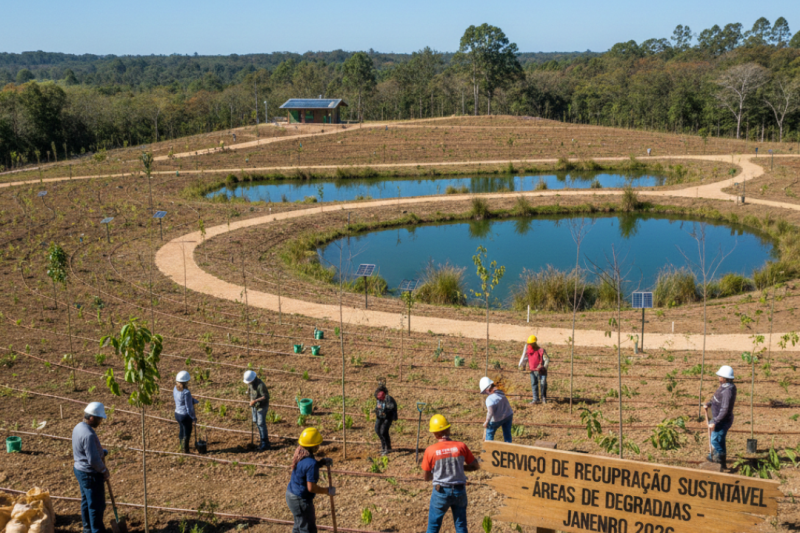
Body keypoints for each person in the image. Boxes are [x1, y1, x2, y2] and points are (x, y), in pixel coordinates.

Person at [421, 415, 480, 533]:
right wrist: (459, 467)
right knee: (461, 525)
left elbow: (426, 477)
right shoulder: (461, 446)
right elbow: (475, 465)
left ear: (434, 433)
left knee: (433, 527)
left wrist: (437, 472)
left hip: (441, 492)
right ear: (448, 430)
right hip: (459, 491)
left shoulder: (430, 450)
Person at [286, 428, 335, 533]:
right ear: (314, 446)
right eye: (318, 444)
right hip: (300, 500)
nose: (319, 446)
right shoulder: (311, 463)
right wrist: (327, 490)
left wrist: (320, 463)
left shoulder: (302, 454)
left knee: (299, 525)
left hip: (291, 495)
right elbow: (311, 488)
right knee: (308, 529)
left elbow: (305, 468)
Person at [72, 402, 109, 533]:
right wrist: (104, 470)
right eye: (99, 419)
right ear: (92, 417)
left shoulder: (78, 427)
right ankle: (97, 531)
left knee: (86, 502)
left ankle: (87, 529)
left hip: (79, 469)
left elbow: (86, 450)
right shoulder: (89, 434)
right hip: (90, 474)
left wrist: (101, 452)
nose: (100, 422)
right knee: (96, 505)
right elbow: (93, 460)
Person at [703, 365, 737, 469]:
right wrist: (709, 404)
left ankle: (718, 459)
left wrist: (715, 421)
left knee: (715, 440)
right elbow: (717, 400)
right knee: (720, 440)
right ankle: (718, 460)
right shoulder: (725, 387)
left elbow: (725, 408)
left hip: (722, 421)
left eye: (720, 376)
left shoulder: (727, 391)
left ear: (724, 378)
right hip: (720, 419)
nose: (718, 378)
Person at [480, 377, 513, 443]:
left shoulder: (490, 399)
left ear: (488, 388)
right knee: (507, 434)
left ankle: (488, 448)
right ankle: (509, 448)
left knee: (489, 433)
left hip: (496, 419)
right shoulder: (500, 392)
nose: (485, 392)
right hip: (508, 415)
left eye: (485, 391)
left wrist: (487, 422)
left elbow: (490, 412)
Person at [244, 370, 271, 451]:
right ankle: (261, 438)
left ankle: (265, 443)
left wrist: (255, 401)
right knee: (255, 421)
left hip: (262, 406)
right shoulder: (250, 384)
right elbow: (249, 390)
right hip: (254, 406)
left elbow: (266, 397)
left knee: (261, 423)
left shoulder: (261, 385)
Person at [518, 335, 549, 404]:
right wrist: (522, 366)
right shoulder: (529, 351)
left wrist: (544, 367)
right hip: (532, 371)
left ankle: (543, 399)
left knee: (543, 384)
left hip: (541, 371)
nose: (530, 345)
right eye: (529, 344)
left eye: (531, 344)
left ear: (535, 343)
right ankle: (536, 399)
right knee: (534, 384)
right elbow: (524, 359)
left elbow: (546, 359)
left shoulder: (541, 351)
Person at [173, 370, 198, 453]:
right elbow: (189, 407)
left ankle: (181, 446)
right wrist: (193, 417)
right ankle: (185, 450)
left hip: (177, 414)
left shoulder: (175, 389)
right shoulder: (186, 392)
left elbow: (180, 400)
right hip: (185, 415)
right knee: (187, 431)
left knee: (181, 429)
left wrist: (193, 400)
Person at [374, 384, 398, 455]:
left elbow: (391, 409)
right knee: (377, 430)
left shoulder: (388, 400)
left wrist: (385, 411)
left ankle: (387, 448)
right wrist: (377, 411)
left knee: (383, 431)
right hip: (380, 417)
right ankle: (383, 446)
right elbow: (378, 407)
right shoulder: (378, 400)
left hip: (388, 417)